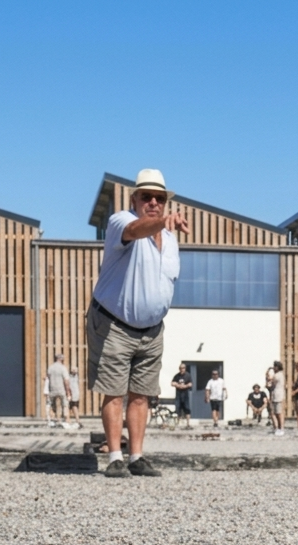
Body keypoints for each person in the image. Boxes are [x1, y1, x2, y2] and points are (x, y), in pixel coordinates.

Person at [86, 168, 189, 478]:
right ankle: (115, 456)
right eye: (147, 197)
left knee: (142, 394)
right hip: (114, 323)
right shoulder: (121, 221)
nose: (154, 202)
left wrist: (164, 227)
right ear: (135, 199)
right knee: (114, 392)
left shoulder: (170, 240)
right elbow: (136, 230)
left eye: (159, 198)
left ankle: (136, 457)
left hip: (152, 329)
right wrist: (160, 223)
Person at [46, 353, 71, 425]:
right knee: (65, 404)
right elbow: (66, 381)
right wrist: (68, 391)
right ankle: (66, 419)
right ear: (61, 359)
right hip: (61, 389)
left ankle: (52, 419)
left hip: (52, 389)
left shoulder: (51, 367)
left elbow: (48, 377)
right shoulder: (63, 368)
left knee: (51, 404)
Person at [170, 364, 193, 429]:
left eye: (183, 368)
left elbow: (191, 384)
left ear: (185, 368)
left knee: (187, 408)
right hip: (178, 394)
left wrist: (185, 386)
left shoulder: (188, 375)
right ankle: (178, 423)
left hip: (185, 394)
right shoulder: (177, 376)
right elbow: (172, 383)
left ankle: (188, 423)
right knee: (178, 408)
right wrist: (177, 385)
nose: (182, 369)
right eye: (180, 368)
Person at [269, 361, 286, 436]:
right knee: (275, 412)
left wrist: (267, 372)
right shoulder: (279, 375)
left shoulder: (278, 375)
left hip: (278, 395)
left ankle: (281, 428)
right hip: (276, 395)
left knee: (279, 413)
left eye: (275, 366)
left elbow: (271, 382)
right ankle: (278, 428)